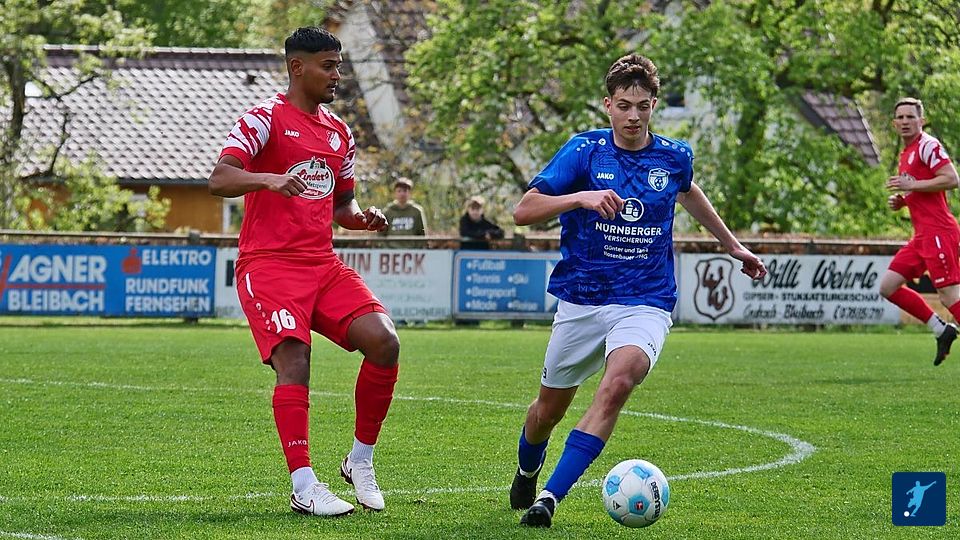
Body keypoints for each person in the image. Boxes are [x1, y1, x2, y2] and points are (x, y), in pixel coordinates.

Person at [508, 54, 767, 528]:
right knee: (546, 412)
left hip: (646, 299)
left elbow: (687, 190)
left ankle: (549, 498)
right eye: (624, 106)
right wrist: (580, 197)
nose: (633, 116)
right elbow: (524, 211)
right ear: (608, 105)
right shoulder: (585, 151)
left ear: (653, 107)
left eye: (642, 106)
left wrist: (732, 245)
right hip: (583, 297)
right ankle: (527, 471)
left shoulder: (673, 156)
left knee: (617, 385)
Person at [208, 27, 400, 517]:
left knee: (384, 342)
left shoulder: (339, 133)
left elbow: (342, 206)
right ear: (297, 67)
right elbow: (220, 178)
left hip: (322, 264)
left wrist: (363, 218)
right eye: (328, 66)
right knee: (295, 359)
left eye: (338, 66)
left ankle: (360, 461)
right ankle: (304, 484)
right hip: (268, 264)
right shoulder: (264, 118)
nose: (337, 76)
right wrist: (268, 179)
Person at [881, 97, 960, 366]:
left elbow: (952, 179)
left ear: (921, 121)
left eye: (910, 117)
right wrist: (903, 201)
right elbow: (923, 190)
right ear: (894, 123)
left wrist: (911, 187)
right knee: (888, 287)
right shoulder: (906, 153)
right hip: (922, 236)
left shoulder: (928, 144)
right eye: (900, 117)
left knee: (949, 296)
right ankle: (941, 330)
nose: (905, 121)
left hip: (939, 232)